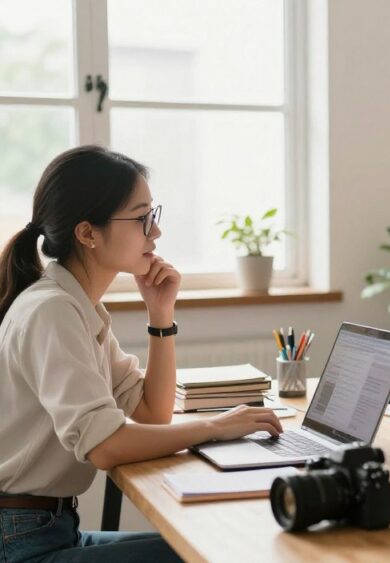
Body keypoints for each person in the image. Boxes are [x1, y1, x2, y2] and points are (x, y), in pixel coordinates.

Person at [0, 146, 283, 562]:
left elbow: (152, 411)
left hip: (50, 532)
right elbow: (107, 447)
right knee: (214, 552)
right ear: (87, 233)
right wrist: (216, 427)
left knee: (206, 547)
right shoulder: (52, 311)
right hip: (23, 546)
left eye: (154, 215)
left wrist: (161, 315)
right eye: (141, 218)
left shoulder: (79, 305)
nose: (156, 233)